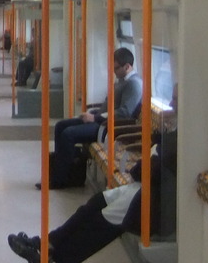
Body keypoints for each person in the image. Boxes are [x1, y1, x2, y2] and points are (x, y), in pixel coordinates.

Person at [10, 129, 176, 263]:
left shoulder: (179, 140)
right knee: (94, 204)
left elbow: (148, 170)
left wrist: (151, 154)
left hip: (152, 197)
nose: (172, 105)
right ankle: (46, 243)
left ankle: (47, 255)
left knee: (99, 224)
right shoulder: (172, 133)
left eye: (175, 100)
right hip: (139, 187)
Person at [39, 47, 141, 189]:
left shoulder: (133, 84)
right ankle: (60, 172)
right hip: (100, 118)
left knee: (68, 134)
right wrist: (94, 113)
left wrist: (95, 118)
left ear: (128, 66)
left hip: (107, 126)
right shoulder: (122, 80)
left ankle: (60, 180)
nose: (114, 71)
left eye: (117, 68)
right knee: (60, 126)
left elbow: (125, 113)